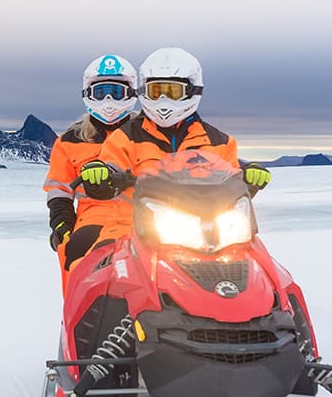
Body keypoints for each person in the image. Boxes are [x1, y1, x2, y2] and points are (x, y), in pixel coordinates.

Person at [79, 47, 271, 250]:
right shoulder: (125, 138)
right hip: (135, 229)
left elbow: (232, 184)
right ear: (144, 91)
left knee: (259, 264)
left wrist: (248, 178)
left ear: (192, 91)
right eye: (156, 91)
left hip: (211, 230)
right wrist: (102, 174)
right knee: (102, 265)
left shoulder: (220, 142)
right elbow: (111, 165)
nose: (163, 100)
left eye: (172, 92)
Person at [44, 54, 139, 288]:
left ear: (131, 93)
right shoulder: (70, 140)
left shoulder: (147, 135)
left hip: (145, 216)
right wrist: (61, 222)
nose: (108, 99)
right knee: (74, 252)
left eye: (116, 92)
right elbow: (59, 187)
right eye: (101, 92)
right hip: (94, 218)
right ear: (88, 94)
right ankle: (77, 318)